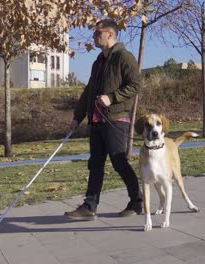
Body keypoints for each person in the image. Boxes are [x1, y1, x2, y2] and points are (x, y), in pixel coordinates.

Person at [64, 19, 142, 220]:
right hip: (96, 121)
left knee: (119, 162)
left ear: (109, 34)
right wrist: (77, 117)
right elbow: (88, 92)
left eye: (97, 33)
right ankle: (89, 207)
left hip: (116, 120)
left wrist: (112, 97)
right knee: (95, 163)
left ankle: (137, 201)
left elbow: (135, 86)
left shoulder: (124, 57)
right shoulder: (98, 61)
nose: (93, 36)